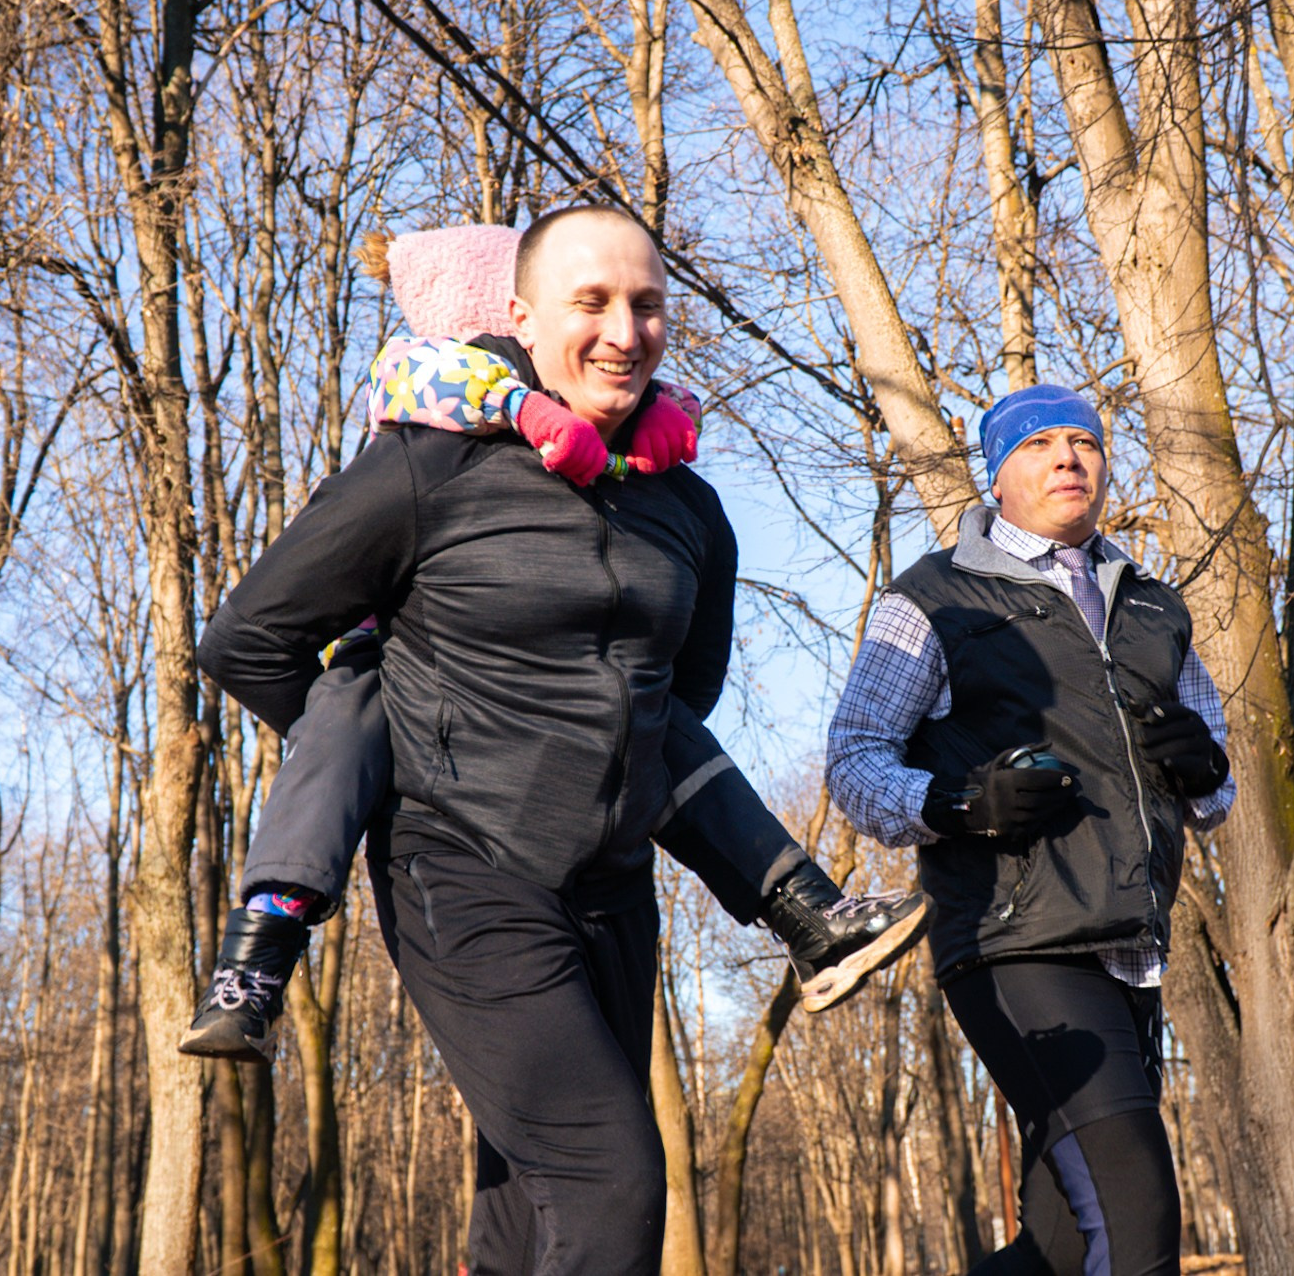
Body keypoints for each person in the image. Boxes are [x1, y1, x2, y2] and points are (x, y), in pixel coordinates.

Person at [196, 206, 918, 1273]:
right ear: (522, 317)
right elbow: (246, 640)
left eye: (645, 304)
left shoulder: (687, 508)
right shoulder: (425, 472)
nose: (622, 330)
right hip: (463, 864)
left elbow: (684, 691)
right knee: (608, 1177)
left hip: (615, 888)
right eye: (590, 303)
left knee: (529, 1206)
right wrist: (400, 744)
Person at [826, 384, 1236, 1276]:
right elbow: (854, 764)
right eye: (1039, 444)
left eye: (1083, 441)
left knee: (1057, 1246)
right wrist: (959, 804)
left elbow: (1218, 786)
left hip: (1131, 948)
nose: (1067, 458)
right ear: (999, 475)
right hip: (1015, 941)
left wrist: (1206, 767)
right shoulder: (935, 598)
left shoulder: (1154, 607)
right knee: (1136, 1224)